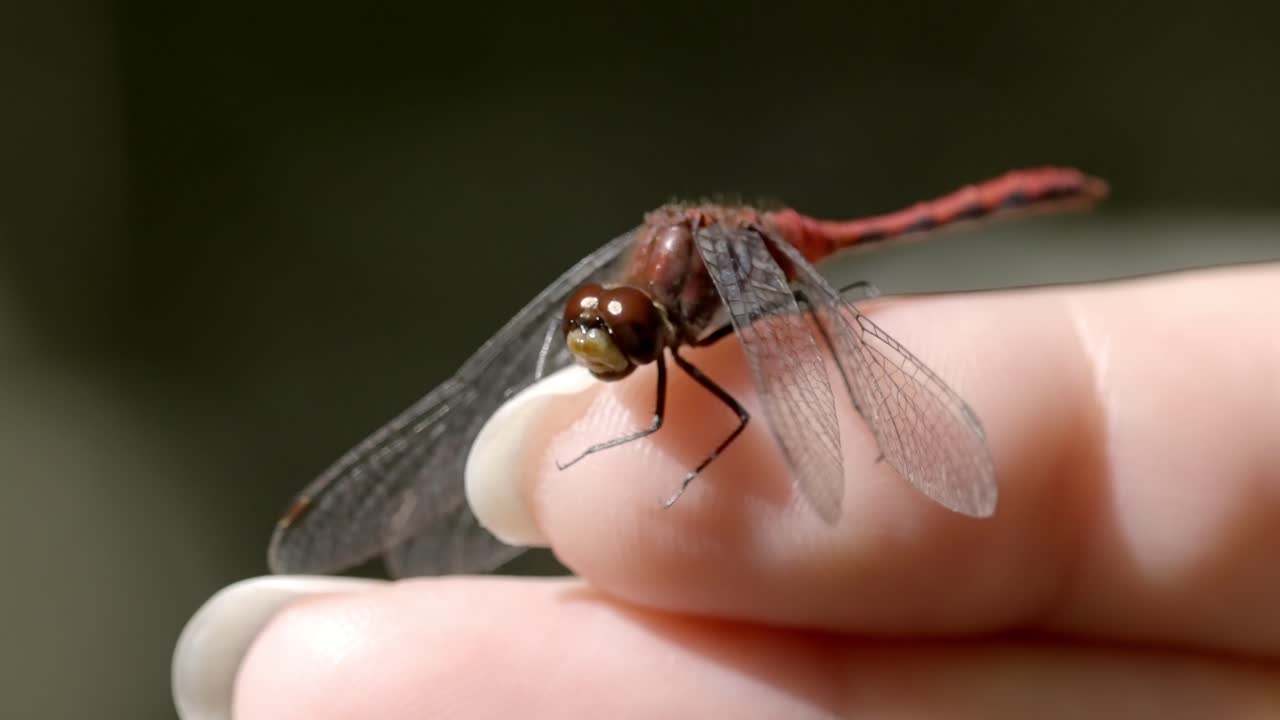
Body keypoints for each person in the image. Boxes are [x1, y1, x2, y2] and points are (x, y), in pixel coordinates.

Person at [173, 264, 1280, 718]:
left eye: (617, 335)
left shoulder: (715, 299)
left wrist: (643, 466)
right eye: (593, 331)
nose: (599, 346)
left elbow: (744, 416)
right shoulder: (625, 297)